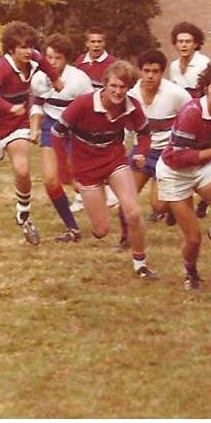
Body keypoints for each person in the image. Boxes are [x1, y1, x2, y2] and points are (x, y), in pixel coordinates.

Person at [53, 60, 157, 280]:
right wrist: (65, 172)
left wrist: (142, 152)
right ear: (104, 85)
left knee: (134, 212)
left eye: (123, 87)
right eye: (114, 86)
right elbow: (57, 132)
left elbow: (145, 133)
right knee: (101, 231)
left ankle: (141, 264)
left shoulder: (132, 106)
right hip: (86, 168)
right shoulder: (83, 104)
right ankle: (104, 198)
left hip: (114, 161)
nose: (118, 92)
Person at [156, 60, 211, 291]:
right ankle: (191, 271)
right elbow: (177, 157)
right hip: (175, 172)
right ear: (206, 88)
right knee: (193, 238)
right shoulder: (191, 113)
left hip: (205, 166)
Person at [0, 22, 63, 251]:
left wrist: (55, 78)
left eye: (30, 46)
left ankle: (23, 216)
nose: (28, 51)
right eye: (22, 47)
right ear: (10, 49)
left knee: (23, 170)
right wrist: (8, 107)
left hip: (17, 125)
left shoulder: (32, 57)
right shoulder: (2, 69)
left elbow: (43, 61)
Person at [119, 49, 192, 242]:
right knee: (126, 198)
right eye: (146, 70)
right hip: (141, 152)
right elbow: (125, 126)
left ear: (162, 72)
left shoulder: (176, 94)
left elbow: (192, 116)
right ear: (140, 71)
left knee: (158, 206)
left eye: (155, 71)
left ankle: (172, 202)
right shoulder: (131, 94)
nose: (150, 76)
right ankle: (126, 239)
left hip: (167, 155)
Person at [29, 33, 94, 242]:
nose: (53, 62)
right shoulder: (39, 77)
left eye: (57, 58)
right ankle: (72, 228)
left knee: (78, 180)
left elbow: (89, 111)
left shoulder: (79, 80)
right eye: (48, 57)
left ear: (66, 58)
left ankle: (108, 203)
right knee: (50, 181)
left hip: (75, 130)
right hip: (51, 127)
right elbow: (38, 104)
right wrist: (35, 128)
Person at [168, 21, 211, 219]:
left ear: (196, 43)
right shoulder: (174, 66)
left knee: (203, 158)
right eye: (180, 41)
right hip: (182, 118)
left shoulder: (204, 63)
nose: (184, 45)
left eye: (188, 41)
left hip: (202, 116)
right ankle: (175, 204)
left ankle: (205, 199)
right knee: (180, 157)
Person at [72, 26, 118, 210]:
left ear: (104, 43)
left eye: (100, 41)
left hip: (105, 115)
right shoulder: (79, 63)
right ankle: (80, 196)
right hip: (84, 116)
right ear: (86, 43)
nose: (96, 45)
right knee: (81, 154)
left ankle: (110, 194)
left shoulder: (112, 63)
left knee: (104, 153)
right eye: (93, 41)